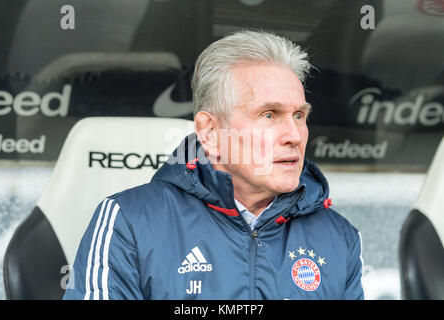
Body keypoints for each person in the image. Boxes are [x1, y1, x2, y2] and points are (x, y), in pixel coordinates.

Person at [63, 30, 364, 300]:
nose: (294, 135)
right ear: (210, 132)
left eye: (299, 115)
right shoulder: (129, 221)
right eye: (270, 115)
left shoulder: (340, 237)